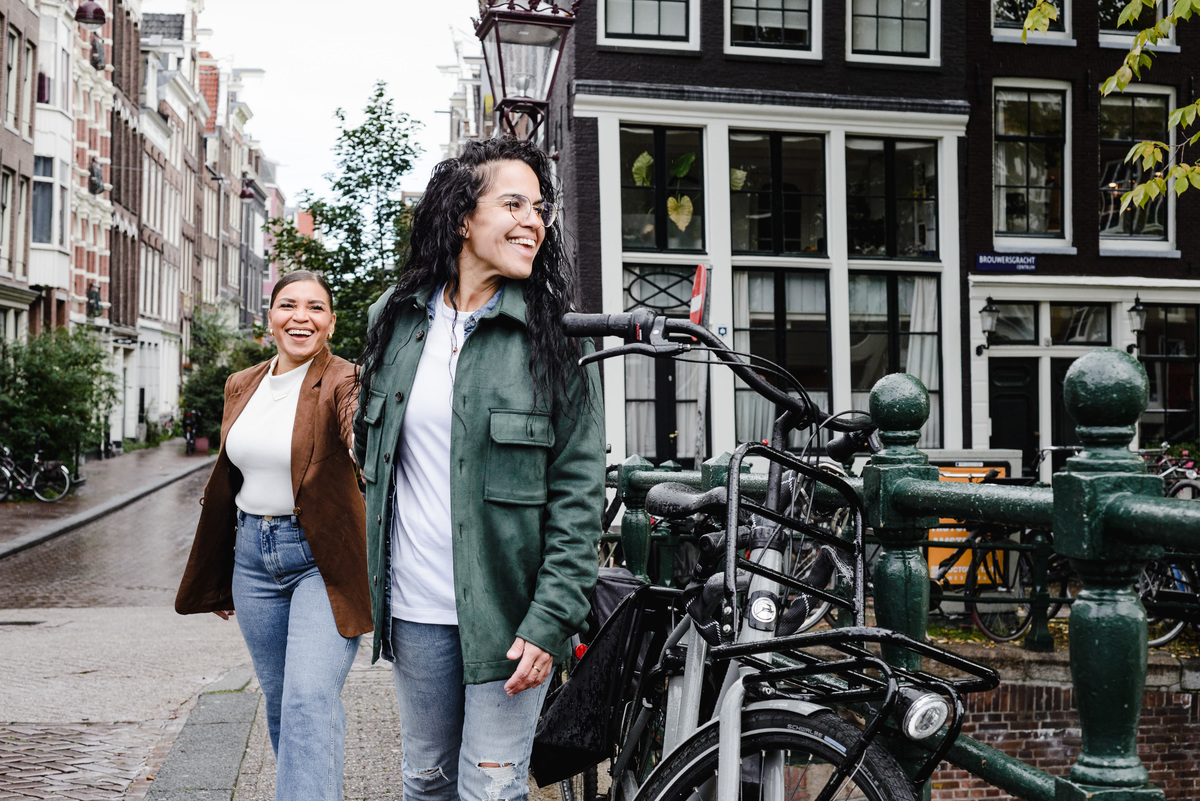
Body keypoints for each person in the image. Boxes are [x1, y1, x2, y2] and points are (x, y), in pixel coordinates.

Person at [354, 136, 605, 801]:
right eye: (514, 203)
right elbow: (370, 457)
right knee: (425, 782)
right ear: (464, 216)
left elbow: (579, 497)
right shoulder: (392, 321)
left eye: (540, 208)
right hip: (414, 612)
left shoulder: (552, 341)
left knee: (491, 791)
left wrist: (550, 618)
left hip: (512, 619)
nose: (534, 220)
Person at [175, 269, 370, 801]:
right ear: (271, 318)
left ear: (331, 321)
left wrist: (364, 444)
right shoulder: (243, 383)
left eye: (314, 308)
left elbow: (357, 422)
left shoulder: (344, 379)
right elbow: (229, 482)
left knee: (310, 697)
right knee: (285, 701)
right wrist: (220, 570)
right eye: (288, 306)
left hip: (320, 560)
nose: (300, 317)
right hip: (251, 560)